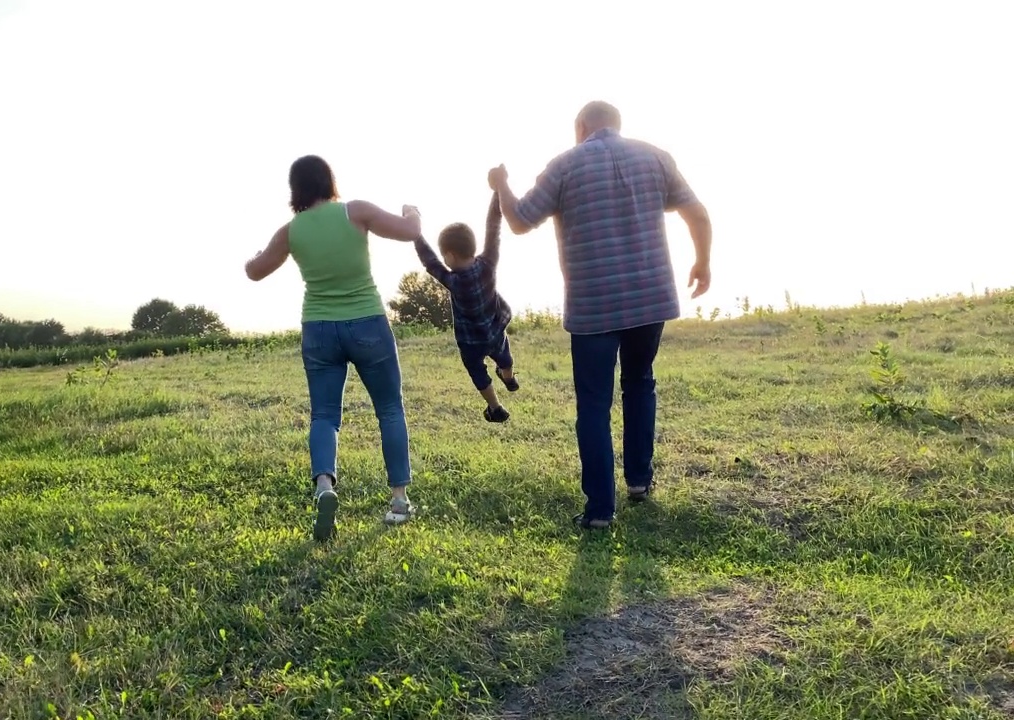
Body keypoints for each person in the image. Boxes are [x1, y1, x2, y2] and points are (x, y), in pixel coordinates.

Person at [486, 100, 713, 530]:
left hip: (594, 304)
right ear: (618, 124)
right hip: (650, 299)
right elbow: (696, 212)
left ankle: (599, 511)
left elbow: (518, 221)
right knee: (640, 382)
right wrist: (702, 262)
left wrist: (501, 184)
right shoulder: (656, 157)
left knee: (593, 403)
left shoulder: (565, 166)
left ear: (581, 126)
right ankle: (640, 482)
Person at [244, 154, 423, 542]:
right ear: (329, 181)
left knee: (324, 415)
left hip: (319, 328)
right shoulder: (354, 212)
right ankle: (398, 502)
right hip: (367, 323)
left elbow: (255, 271)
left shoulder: (291, 231)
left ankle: (324, 484)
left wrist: (251, 257)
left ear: (296, 189)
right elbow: (410, 232)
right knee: (389, 409)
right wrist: (413, 211)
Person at [411, 192, 520, 423]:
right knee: (504, 355)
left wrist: (415, 231)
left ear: (449, 256)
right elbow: (493, 227)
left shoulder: (454, 281)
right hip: (494, 331)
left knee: (477, 371)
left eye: (444, 256)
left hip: (471, 342)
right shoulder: (488, 263)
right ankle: (509, 378)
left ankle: (495, 407)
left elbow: (429, 261)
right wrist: (496, 193)